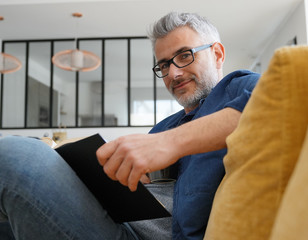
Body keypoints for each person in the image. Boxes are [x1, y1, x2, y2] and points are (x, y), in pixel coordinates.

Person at [0, 12, 259, 240]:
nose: (173, 74)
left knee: (16, 157)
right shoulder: (164, 126)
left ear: (217, 54)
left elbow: (283, 103)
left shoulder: (238, 88)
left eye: (184, 56)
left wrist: (169, 142)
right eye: (164, 64)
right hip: (115, 223)